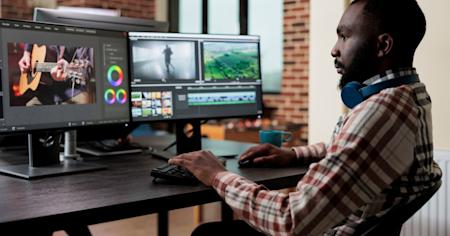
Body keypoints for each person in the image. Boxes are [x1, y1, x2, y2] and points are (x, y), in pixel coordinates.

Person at [168, 0, 442, 235]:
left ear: (383, 45)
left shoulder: (383, 110)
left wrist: (217, 175)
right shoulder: (411, 95)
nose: (334, 49)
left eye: (344, 37)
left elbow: (290, 220)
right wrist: (294, 155)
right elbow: (355, 148)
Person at [18, 44, 93, 106]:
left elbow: (88, 68)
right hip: (45, 92)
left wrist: (66, 72)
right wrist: (27, 52)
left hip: (72, 91)